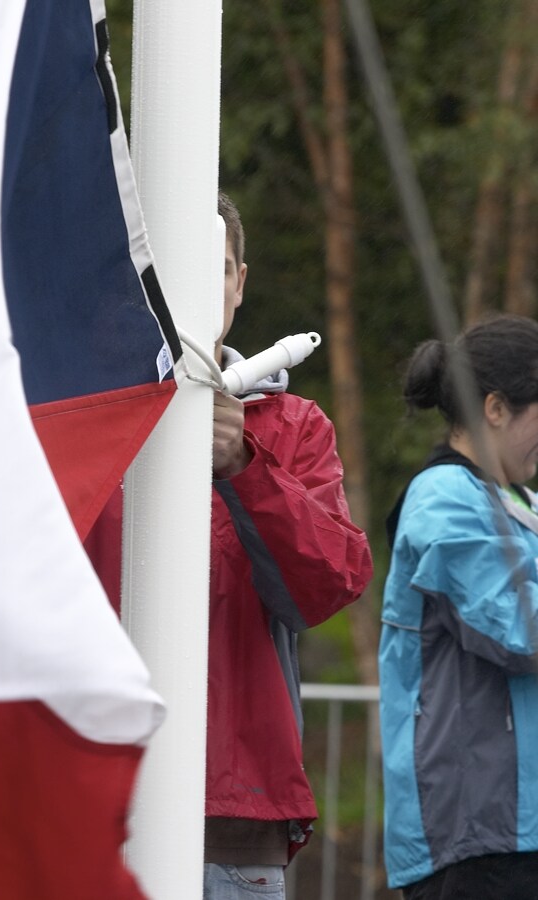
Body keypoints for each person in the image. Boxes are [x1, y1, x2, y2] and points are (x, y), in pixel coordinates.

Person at [203, 192, 373, 899]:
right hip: (99, 799)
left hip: (237, 817)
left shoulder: (295, 424)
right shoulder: (89, 413)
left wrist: (243, 464)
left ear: (240, 282)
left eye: (215, 268)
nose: (198, 284)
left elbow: (329, 582)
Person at [379, 314, 538, 900]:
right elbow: (521, 630)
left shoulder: (518, 500)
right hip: (478, 834)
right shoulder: (444, 500)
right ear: (495, 408)